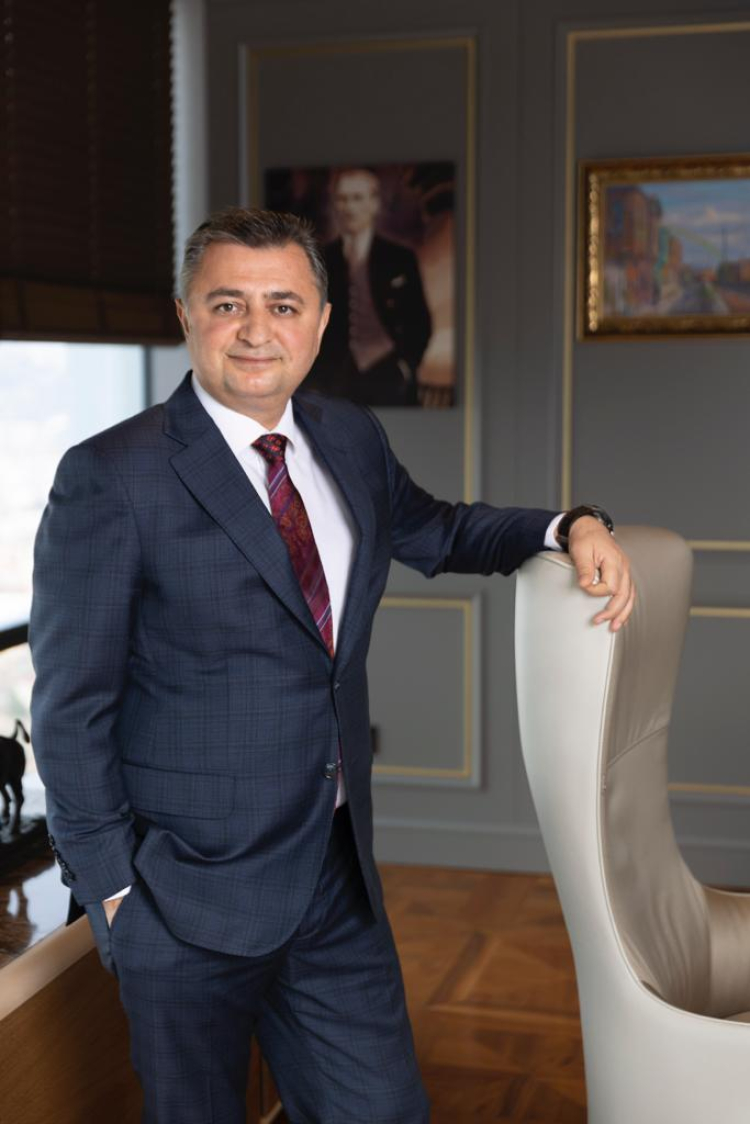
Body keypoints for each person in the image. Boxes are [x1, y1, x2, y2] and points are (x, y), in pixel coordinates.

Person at [29, 207, 634, 1124]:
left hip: (333, 876)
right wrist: (116, 894)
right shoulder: (111, 476)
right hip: (183, 900)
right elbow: (71, 710)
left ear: (319, 322)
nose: (256, 329)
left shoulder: (347, 436)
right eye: (227, 304)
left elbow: (441, 530)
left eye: (282, 304)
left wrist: (569, 525)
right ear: (186, 315)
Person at [307, 167, 433, 406]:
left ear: (374, 203)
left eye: (357, 198)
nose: (349, 207)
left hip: (388, 373)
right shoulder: (319, 259)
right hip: (333, 379)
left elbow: (420, 322)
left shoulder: (400, 257)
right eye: (342, 199)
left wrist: (406, 366)